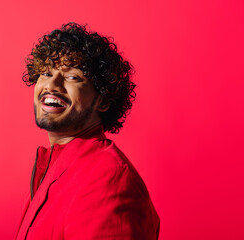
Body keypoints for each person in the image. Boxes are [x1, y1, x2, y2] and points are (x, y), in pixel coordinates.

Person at [15, 22, 160, 240]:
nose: (51, 85)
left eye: (72, 77)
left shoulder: (108, 179)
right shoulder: (53, 169)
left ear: (102, 100)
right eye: (45, 73)